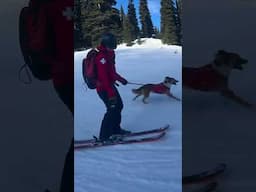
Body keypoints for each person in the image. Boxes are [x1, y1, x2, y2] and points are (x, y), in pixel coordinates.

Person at [95, 33, 131, 141]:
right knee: (111, 109)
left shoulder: (110, 54)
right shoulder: (101, 57)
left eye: (113, 46)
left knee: (119, 106)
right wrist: (110, 93)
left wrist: (121, 79)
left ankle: (115, 129)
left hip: (110, 86)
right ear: (105, 44)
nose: (112, 48)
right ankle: (104, 136)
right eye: (110, 46)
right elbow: (103, 78)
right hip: (103, 88)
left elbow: (111, 72)